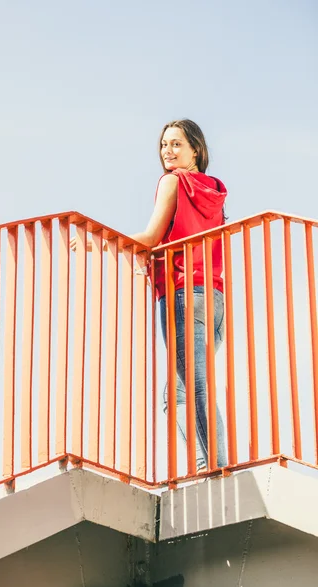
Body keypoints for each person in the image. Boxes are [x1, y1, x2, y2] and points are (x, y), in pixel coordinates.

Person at [71, 119, 227, 471]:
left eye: (176, 145)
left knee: (193, 388)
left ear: (195, 150)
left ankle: (216, 467)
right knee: (178, 394)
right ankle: (208, 463)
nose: (167, 152)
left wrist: (97, 240)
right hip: (214, 297)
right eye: (163, 145)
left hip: (182, 293)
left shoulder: (173, 181)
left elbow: (152, 235)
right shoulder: (214, 190)